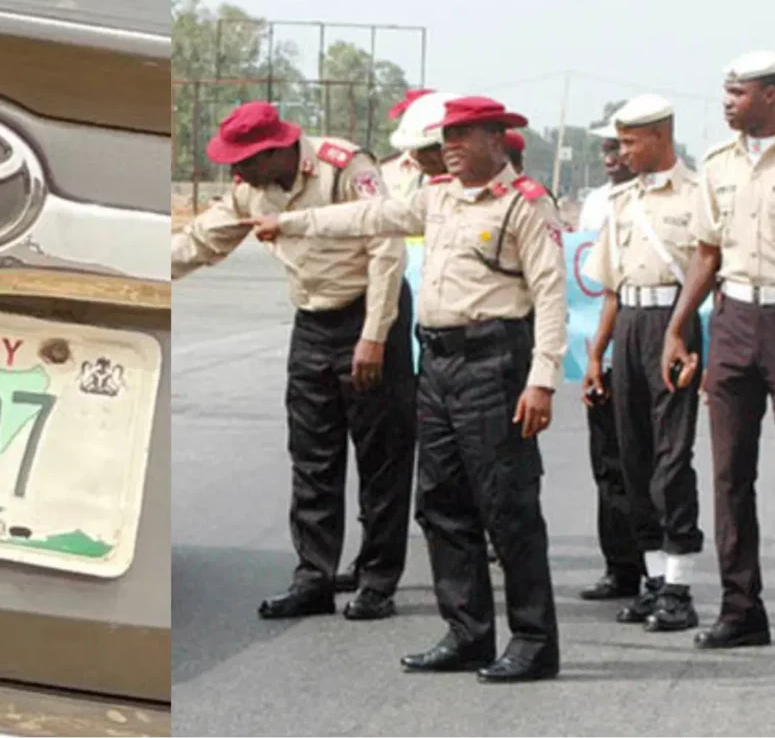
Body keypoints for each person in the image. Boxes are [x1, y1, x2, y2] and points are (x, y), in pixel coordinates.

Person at [245, 96, 567, 683]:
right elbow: (366, 219)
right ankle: (468, 632)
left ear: (497, 139)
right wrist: (290, 222)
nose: (450, 145)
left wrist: (542, 379)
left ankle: (533, 640)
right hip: (438, 362)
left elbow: (549, 294)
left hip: (494, 360)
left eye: (464, 135)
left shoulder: (525, 204)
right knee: (441, 504)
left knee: (507, 506)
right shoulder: (438, 196)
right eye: (447, 135)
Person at [172, 101, 416, 622]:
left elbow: (387, 250)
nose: (237, 172)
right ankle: (314, 577)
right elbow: (200, 241)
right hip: (312, 322)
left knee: (382, 459)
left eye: (245, 161)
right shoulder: (251, 189)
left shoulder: (345, 166)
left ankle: (376, 579)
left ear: (276, 149)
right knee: (312, 458)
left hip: (370, 315)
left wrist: (374, 337)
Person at [661, 50, 775, 650]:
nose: (726, 102)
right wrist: (678, 325)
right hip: (734, 320)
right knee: (728, 475)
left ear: (770, 96)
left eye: (737, 93)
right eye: (725, 92)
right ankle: (742, 609)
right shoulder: (716, 165)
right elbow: (706, 253)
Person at [581, 94, 705, 633]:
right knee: (632, 458)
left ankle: (680, 585)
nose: (622, 152)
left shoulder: (699, 194)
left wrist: (701, 346)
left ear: (660, 135)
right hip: (629, 326)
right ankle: (654, 580)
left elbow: (712, 274)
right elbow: (611, 288)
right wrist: (595, 353)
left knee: (670, 460)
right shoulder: (622, 200)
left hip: (674, 327)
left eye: (630, 141)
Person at [337, 89, 460, 593]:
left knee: (440, 466)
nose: (417, 159)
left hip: (464, 337)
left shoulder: (496, 195)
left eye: (425, 149)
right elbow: (370, 224)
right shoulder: (392, 176)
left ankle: (418, 567)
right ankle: (376, 560)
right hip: (403, 321)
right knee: (393, 446)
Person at [574, 116, 646, 602]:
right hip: (601, 346)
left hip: (649, 342)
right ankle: (620, 567)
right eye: (604, 147)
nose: (609, 157)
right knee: (608, 462)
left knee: (648, 461)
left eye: (618, 146)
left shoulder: (667, 198)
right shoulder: (596, 203)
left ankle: (658, 569)